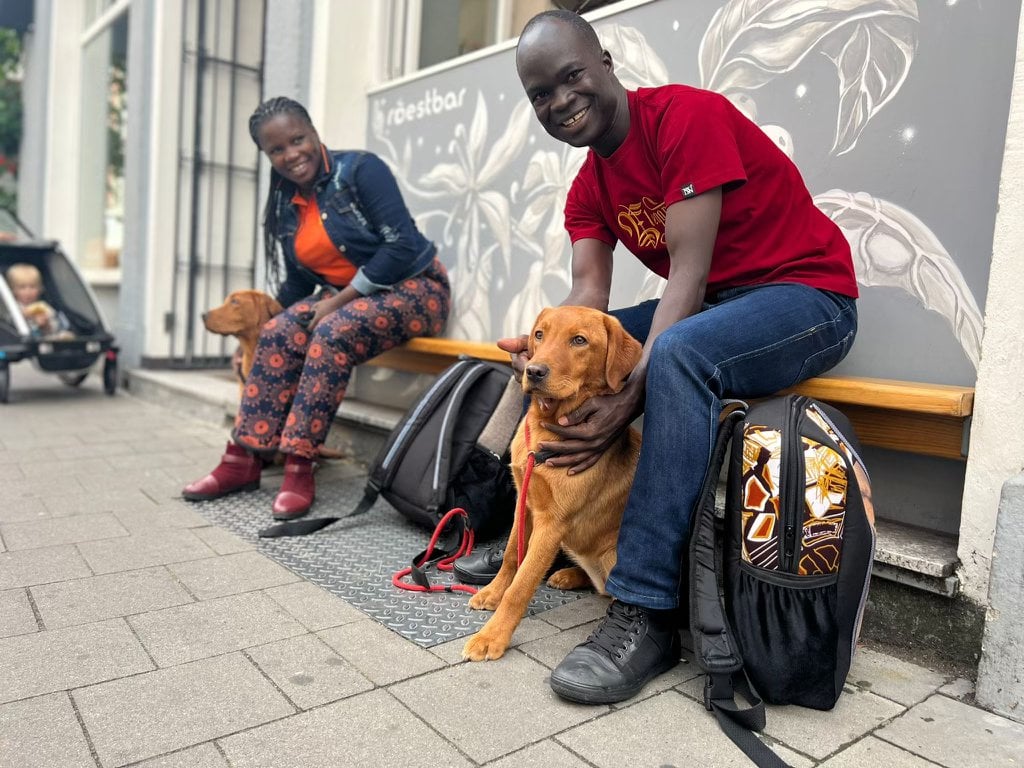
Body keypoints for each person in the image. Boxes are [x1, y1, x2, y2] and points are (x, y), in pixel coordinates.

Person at [504, 11, 859, 704]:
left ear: (605, 62)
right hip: (721, 307)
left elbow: (687, 282)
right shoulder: (587, 188)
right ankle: (516, 519)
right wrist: (549, 345)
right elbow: (588, 303)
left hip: (807, 298)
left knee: (675, 355)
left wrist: (626, 399)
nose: (560, 100)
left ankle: (646, 609)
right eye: (540, 94)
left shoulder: (684, 119)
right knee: (554, 350)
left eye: (571, 76)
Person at [183, 97, 451, 519]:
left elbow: (400, 244)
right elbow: (297, 282)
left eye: (297, 139)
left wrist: (340, 300)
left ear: (313, 132)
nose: (291, 154)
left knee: (332, 329)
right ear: (266, 155)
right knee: (276, 334)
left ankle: (298, 465)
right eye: (277, 150)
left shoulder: (361, 170)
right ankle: (242, 459)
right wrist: (260, 330)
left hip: (415, 288)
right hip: (346, 300)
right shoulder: (284, 205)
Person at [4, 262, 70, 338]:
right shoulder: (11, 307)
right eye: (22, 287)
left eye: (32, 287)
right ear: (13, 290)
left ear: (40, 289)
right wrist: (22, 316)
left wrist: (46, 325)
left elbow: (55, 328)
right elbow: (6, 325)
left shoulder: (45, 308)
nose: (28, 292)